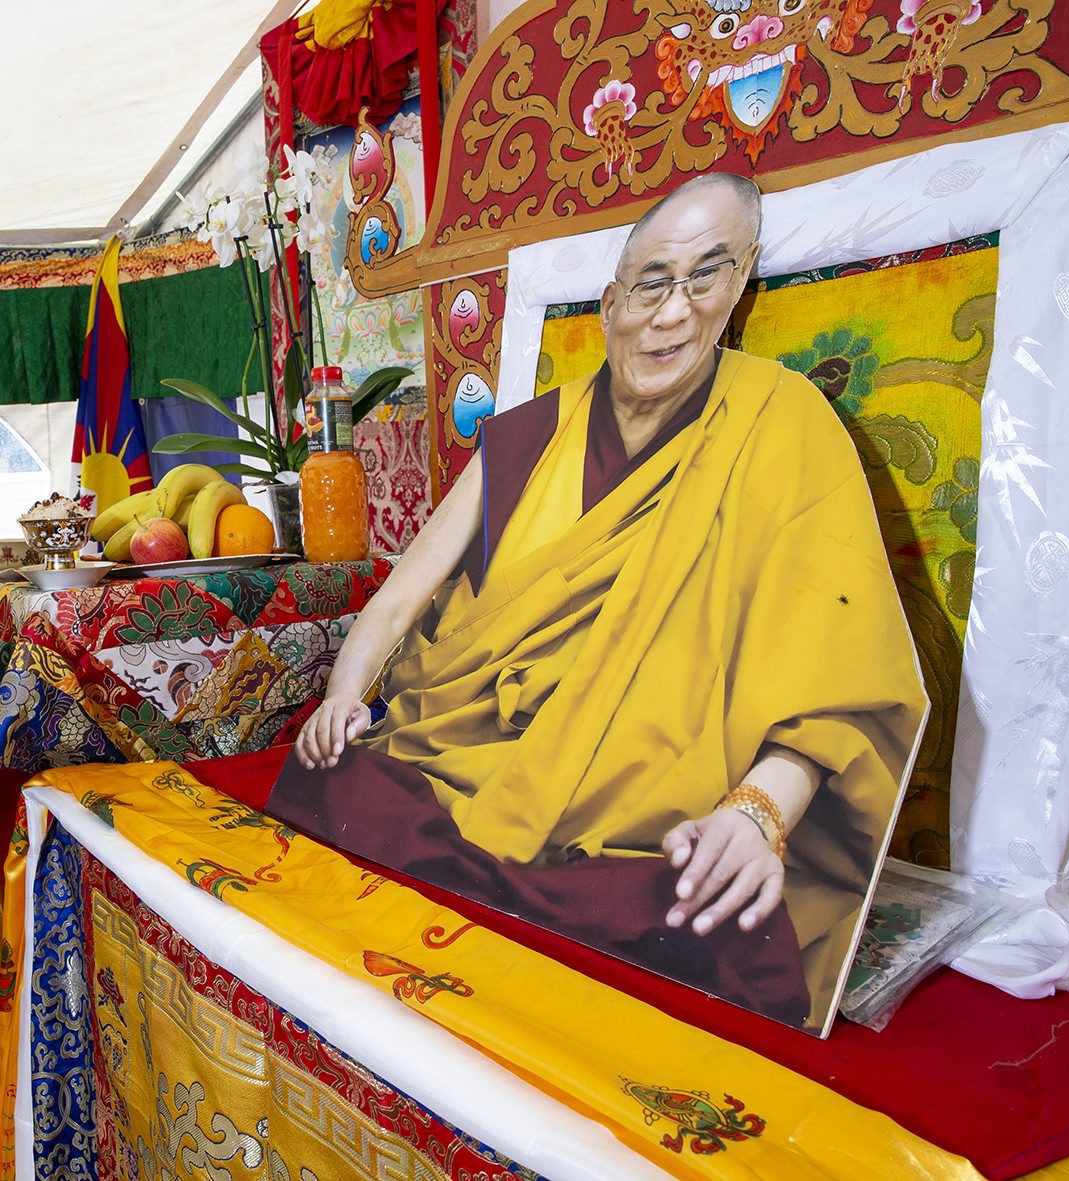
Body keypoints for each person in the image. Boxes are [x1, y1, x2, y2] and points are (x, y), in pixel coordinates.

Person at [279, 173, 926, 1028]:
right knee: (330, 777)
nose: (674, 313)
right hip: (466, 766)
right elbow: (400, 600)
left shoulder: (783, 424)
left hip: (649, 823)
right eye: (653, 282)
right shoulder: (531, 433)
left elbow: (832, 668)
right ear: (611, 301)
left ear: (739, 291)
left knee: (724, 921)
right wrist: (340, 698)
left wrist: (756, 812)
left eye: (709, 278)